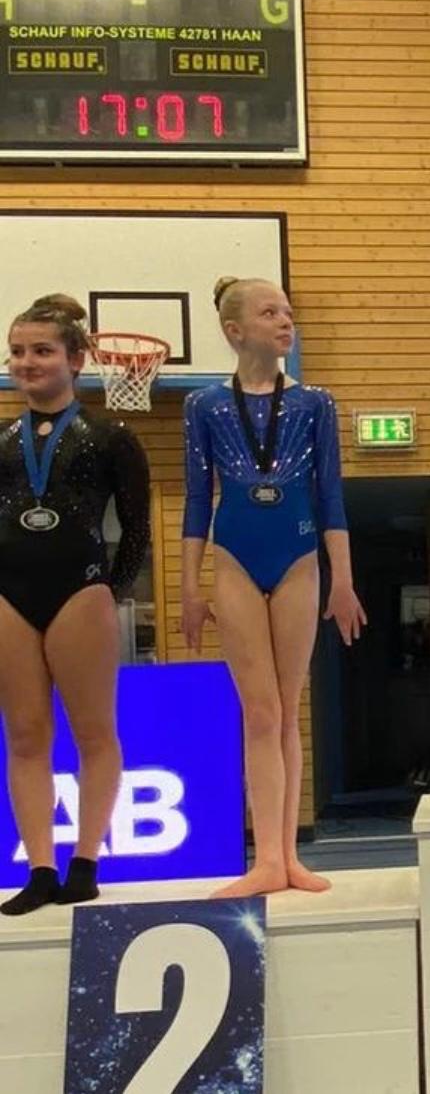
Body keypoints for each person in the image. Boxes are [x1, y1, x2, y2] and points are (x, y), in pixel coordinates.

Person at [181, 277, 365, 898]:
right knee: (259, 712)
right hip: (234, 557)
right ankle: (264, 859)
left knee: (287, 709)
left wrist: (343, 580)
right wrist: (189, 587)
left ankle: (287, 858)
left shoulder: (315, 403)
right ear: (235, 331)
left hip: (298, 557)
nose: (286, 320)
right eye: (270, 312)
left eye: (288, 311)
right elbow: (196, 498)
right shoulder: (204, 405)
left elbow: (330, 494)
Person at [0, 294, 150, 915]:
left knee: (93, 731)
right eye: (17, 352)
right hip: (9, 597)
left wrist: (110, 590)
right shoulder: (3, 440)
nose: (26, 362)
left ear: (77, 360)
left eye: (42, 350)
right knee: (25, 735)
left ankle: (85, 861)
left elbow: (137, 529)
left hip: (81, 591)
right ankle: (40, 870)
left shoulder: (111, 438)